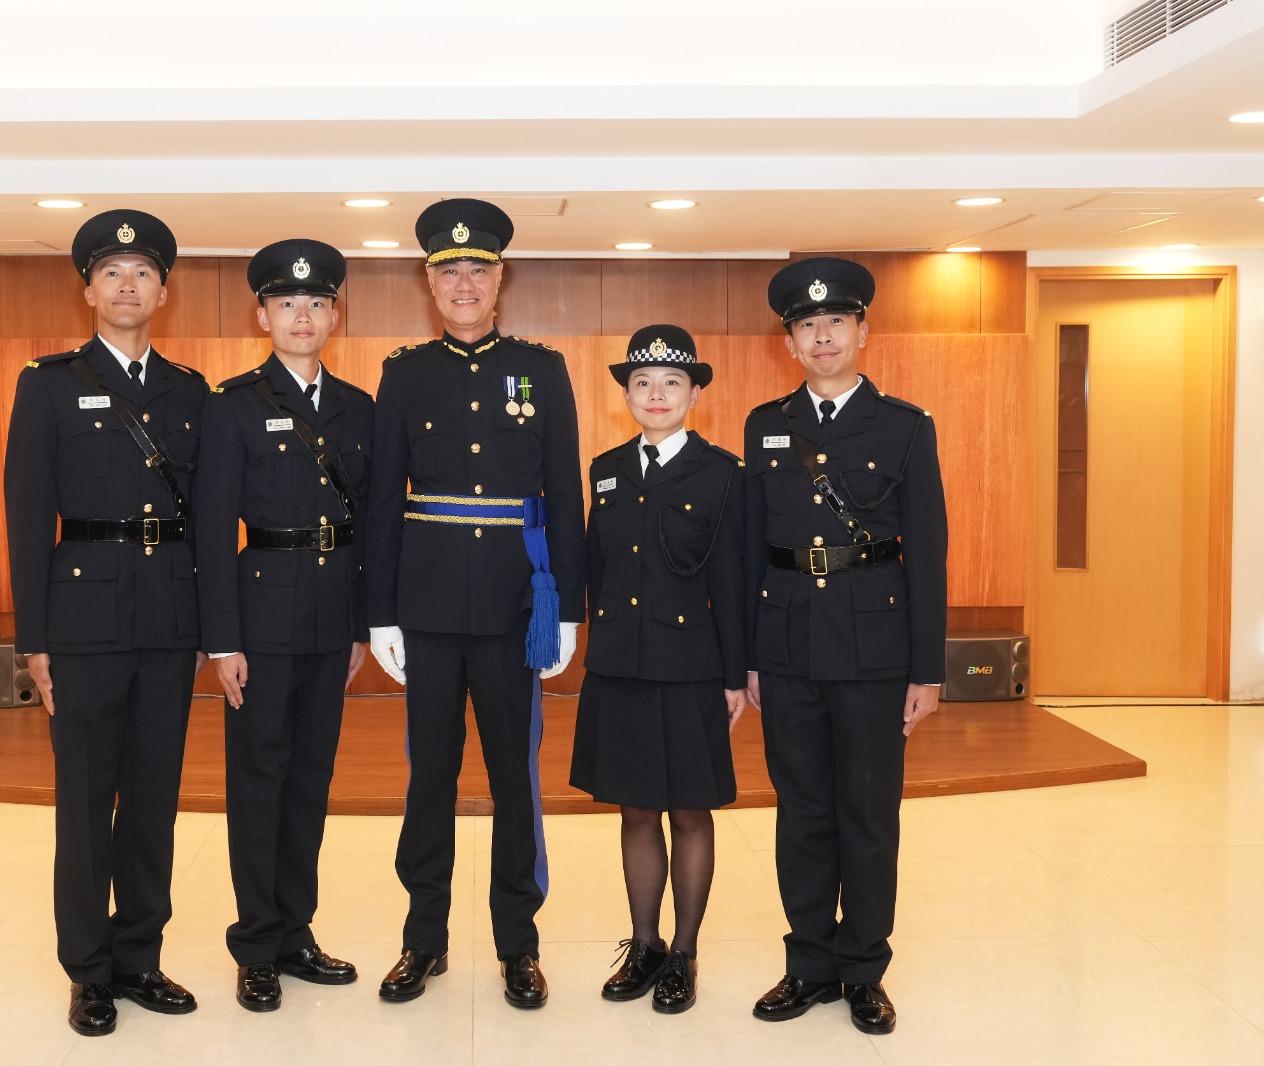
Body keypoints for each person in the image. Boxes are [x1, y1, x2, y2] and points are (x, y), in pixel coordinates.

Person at [363, 198, 585, 1009]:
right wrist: (380, 611)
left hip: (510, 607)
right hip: (424, 606)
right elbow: (384, 498)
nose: (464, 282)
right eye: (449, 270)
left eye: (478, 270)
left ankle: (517, 946)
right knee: (429, 782)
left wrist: (567, 609)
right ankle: (423, 940)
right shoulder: (404, 372)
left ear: (502, 279)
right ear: (429, 281)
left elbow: (564, 491)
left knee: (513, 781)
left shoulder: (542, 368)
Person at [3, 209, 208, 1037]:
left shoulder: (190, 392)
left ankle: (140, 957)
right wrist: (34, 637)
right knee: (86, 800)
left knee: (154, 797)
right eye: (112, 272)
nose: (128, 286)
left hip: (167, 616)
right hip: (81, 619)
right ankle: (88, 972)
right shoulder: (46, 383)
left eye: (143, 273)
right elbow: (25, 514)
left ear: (163, 290)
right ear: (88, 288)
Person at [744, 257, 947, 1036]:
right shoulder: (766, 425)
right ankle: (808, 964)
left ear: (863, 330)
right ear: (788, 342)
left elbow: (928, 550)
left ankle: (864, 968)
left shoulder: (903, 426)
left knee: (867, 813)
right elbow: (751, 550)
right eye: (805, 325)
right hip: (788, 644)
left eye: (835, 322)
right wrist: (751, 658)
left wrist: (927, 667)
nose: (821, 335)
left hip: (875, 649)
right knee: (801, 813)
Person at [195, 238, 372, 1012]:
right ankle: (256, 942)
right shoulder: (232, 404)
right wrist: (223, 640)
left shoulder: (359, 409)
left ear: (335, 314)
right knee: (258, 779)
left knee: (311, 780)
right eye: (288, 302)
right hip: (260, 619)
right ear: (262, 312)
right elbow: (209, 531)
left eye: (318, 302)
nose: (304, 315)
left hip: (333, 620)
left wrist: (364, 627)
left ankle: (297, 932)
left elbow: (369, 528)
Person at [571, 325, 748, 1015]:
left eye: (671, 382)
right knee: (635, 807)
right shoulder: (606, 468)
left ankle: (683, 953)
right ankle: (643, 946)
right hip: (620, 663)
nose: (655, 394)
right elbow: (595, 566)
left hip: (691, 665)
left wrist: (736, 675)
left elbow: (731, 581)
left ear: (694, 392)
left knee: (691, 811)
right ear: (626, 394)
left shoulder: (724, 473)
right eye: (641, 383)